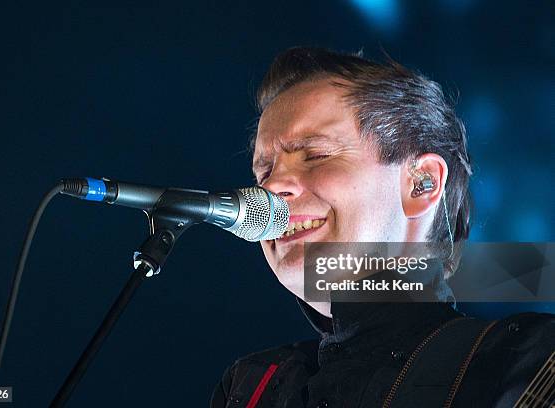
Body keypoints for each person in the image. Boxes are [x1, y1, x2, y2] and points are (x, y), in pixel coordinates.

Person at [210, 47, 554, 408]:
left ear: (421, 183)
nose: (272, 186)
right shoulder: (252, 387)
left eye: (316, 155)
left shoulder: (522, 359)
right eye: (263, 172)